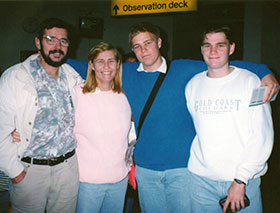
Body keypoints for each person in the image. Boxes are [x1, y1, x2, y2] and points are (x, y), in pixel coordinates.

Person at [67, 22, 278, 212]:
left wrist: (264, 71)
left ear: (159, 42)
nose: (143, 50)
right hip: (145, 169)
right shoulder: (126, 72)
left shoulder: (183, 68)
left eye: (148, 43)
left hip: (183, 169)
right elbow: (85, 65)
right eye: (137, 46)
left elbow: (221, 63)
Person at [185, 26, 274, 213]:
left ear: (231, 48)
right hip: (201, 182)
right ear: (201, 49)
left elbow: (262, 136)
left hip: (243, 182)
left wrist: (240, 180)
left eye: (220, 45)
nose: (213, 51)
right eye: (207, 45)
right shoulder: (193, 85)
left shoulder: (252, 83)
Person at [0, 18, 82, 212]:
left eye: (63, 41)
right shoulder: (14, 78)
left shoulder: (74, 77)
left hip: (67, 169)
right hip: (30, 170)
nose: (57, 46)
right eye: (51, 39)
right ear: (38, 42)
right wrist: (15, 172)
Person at [74, 42, 131, 213]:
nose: (106, 67)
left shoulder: (125, 94)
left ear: (118, 64)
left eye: (111, 61)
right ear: (91, 64)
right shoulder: (78, 93)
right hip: (87, 182)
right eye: (100, 61)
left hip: (119, 179)